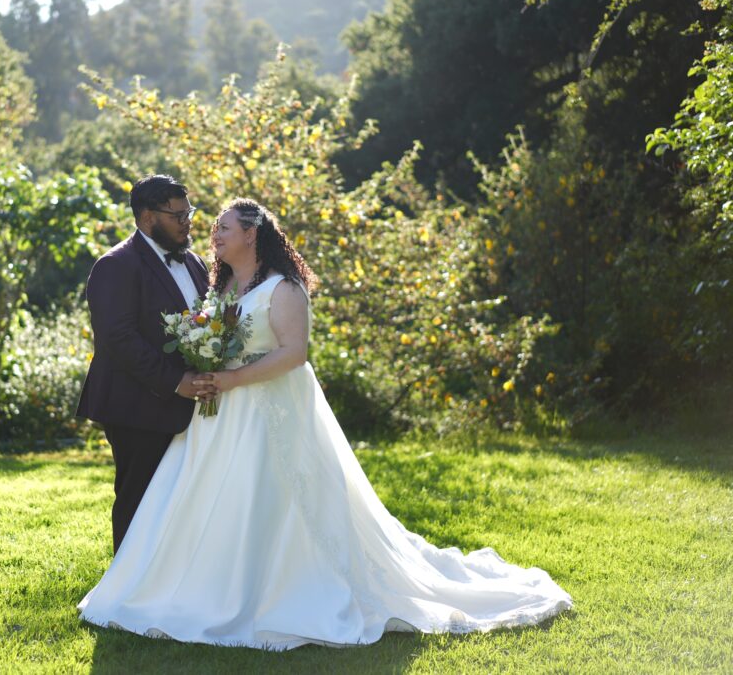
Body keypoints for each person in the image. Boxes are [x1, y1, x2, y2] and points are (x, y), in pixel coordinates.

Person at [78, 198, 573, 649]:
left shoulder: (284, 288)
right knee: (201, 500)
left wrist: (232, 379)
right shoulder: (220, 284)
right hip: (216, 419)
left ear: (252, 233)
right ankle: (190, 586)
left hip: (267, 408)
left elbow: (295, 356)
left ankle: (276, 591)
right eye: (211, 227)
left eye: (223, 226)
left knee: (272, 501)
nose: (212, 233)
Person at [76, 174, 215, 554]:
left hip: (194, 408)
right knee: (138, 500)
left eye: (189, 212)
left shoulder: (196, 263)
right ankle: (124, 592)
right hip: (135, 405)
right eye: (178, 215)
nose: (188, 221)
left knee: (184, 502)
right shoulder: (115, 265)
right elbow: (118, 340)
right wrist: (177, 382)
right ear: (147, 217)